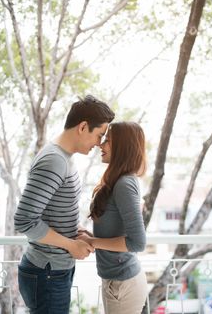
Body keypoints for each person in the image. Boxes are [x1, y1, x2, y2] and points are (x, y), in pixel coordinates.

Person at [14, 95, 115, 314]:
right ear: (83, 127)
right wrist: (70, 245)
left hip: (52, 269)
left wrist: (74, 229)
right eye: (98, 135)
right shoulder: (55, 161)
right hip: (46, 270)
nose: (99, 143)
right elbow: (24, 220)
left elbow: (51, 209)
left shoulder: (63, 158)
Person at [77, 121, 148, 314]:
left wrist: (92, 241)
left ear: (123, 147)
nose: (101, 144)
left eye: (107, 140)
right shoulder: (118, 181)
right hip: (117, 282)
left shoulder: (125, 184)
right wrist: (89, 236)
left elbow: (137, 242)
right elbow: (115, 232)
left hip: (123, 284)